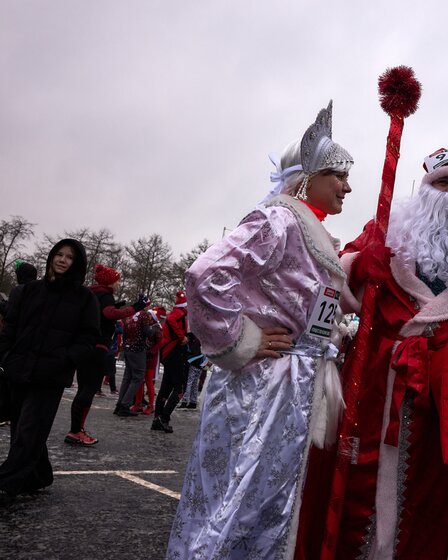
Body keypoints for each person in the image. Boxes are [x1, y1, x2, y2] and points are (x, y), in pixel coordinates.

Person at [296, 149, 448, 560]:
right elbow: (330, 282)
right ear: (425, 190)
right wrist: (356, 266)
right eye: (443, 183)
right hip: (376, 380)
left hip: (440, 394)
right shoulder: (384, 232)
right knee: (353, 486)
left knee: (429, 495)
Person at [166, 101, 353, 559]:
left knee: (272, 504)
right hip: (263, 384)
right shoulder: (278, 219)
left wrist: (331, 339)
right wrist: (239, 341)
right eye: (339, 176)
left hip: (293, 385)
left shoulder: (312, 233)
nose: (349, 186)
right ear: (308, 177)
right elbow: (205, 275)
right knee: (239, 502)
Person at [0, 239, 99, 501]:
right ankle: (38, 476)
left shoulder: (84, 298)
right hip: (19, 369)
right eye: (59, 254)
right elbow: (10, 328)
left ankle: (7, 482)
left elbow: (89, 339)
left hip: (50, 374)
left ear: (77, 264)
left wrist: (64, 359)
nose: (63, 260)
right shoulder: (29, 291)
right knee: (22, 426)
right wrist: (7, 357)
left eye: (69, 257)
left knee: (30, 428)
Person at [65, 264, 148, 445]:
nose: (118, 283)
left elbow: (101, 312)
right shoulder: (105, 295)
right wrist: (136, 307)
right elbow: (109, 313)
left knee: (83, 388)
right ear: (110, 282)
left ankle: (76, 429)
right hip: (97, 347)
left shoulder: (94, 293)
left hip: (86, 346)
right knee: (87, 389)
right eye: (117, 280)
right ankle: (76, 431)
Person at [0, 260, 37, 426]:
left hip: (15, 341)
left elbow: (11, 314)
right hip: (30, 343)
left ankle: (5, 412)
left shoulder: (19, 290)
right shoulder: (38, 291)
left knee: (7, 381)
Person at [150, 291, 189, 433]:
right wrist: (181, 337)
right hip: (175, 352)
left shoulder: (179, 312)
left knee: (166, 387)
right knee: (180, 387)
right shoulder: (180, 313)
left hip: (168, 353)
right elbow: (172, 320)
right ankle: (164, 418)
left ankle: (157, 418)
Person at [115, 308, 162, 417]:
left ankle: (121, 404)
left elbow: (124, 331)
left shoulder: (131, 315)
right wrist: (154, 329)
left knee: (128, 377)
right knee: (139, 378)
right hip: (138, 351)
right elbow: (148, 333)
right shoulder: (143, 315)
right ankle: (126, 404)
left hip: (128, 349)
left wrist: (125, 347)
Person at [177, 332, 207, 410]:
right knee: (194, 384)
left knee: (189, 383)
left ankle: (185, 401)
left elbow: (193, 353)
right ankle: (193, 402)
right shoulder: (202, 341)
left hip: (193, 365)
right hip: (200, 365)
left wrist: (188, 359)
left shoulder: (195, 342)